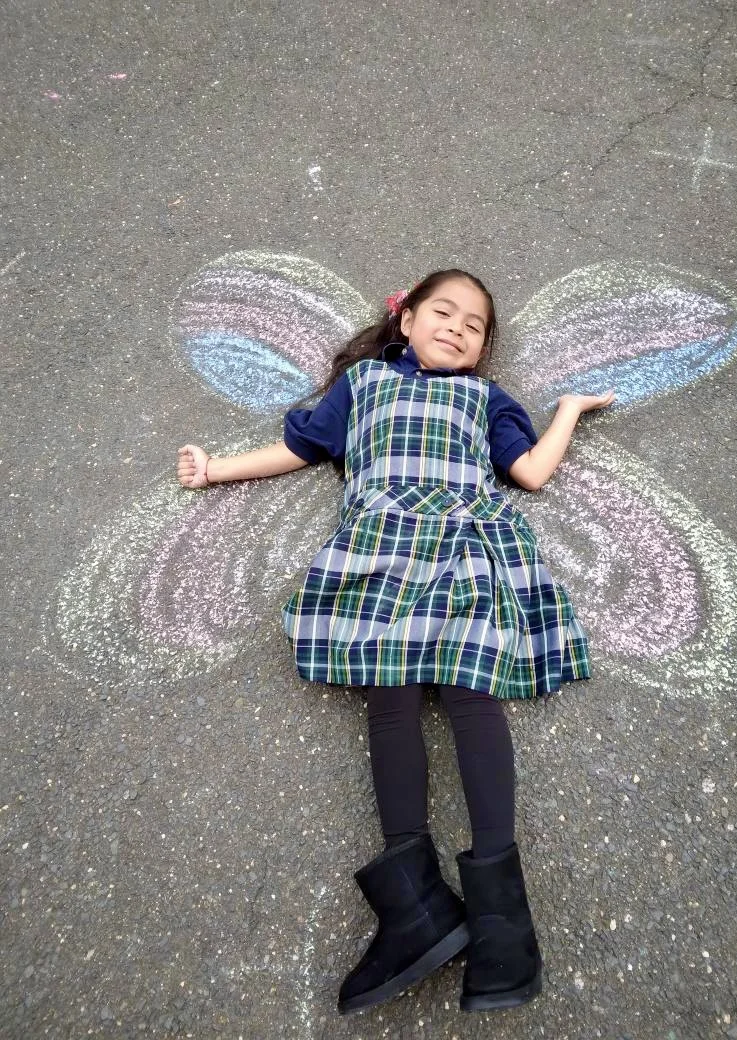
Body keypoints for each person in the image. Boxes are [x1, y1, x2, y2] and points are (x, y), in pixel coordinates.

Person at [177, 269, 615, 1015]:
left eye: (474, 326)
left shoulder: (484, 399)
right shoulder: (366, 385)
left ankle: (505, 927)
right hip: (382, 548)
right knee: (393, 700)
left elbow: (531, 473)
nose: (458, 327)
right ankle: (415, 907)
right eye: (443, 312)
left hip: (471, 545)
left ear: (481, 352)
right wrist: (216, 470)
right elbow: (304, 447)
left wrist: (567, 411)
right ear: (406, 320)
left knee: (476, 701)